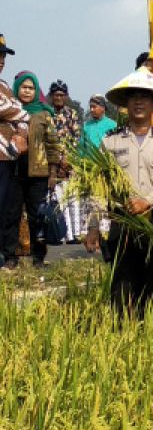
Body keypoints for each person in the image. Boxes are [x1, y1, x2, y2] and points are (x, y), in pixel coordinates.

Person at [84, 69, 153, 317]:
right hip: (122, 220)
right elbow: (99, 185)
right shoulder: (111, 141)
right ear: (126, 105)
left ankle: (150, 332)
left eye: (145, 97)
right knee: (123, 282)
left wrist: (147, 201)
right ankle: (122, 336)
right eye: (133, 97)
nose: (139, 102)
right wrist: (93, 226)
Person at [2, 72, 63, 267]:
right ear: (16, 88)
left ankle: (38, 257)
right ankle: (10, 256)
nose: (27, 91)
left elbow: (53, 144)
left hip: (38, 173)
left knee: (38, 217)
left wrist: (53, 172)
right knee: (11, 215)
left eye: (31, 88)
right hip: (13, 171)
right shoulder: (10, 112)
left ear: (36, 90)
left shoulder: (44, 114)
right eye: (23, 87)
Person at [0, 36, 30, 270]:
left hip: (8, 157)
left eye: (3, 56)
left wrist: (20, 130)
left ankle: (8, 254)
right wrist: (19, 114)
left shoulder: (6, 86)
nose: (1, 60)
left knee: (9, 209)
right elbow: (11, 108)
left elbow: (20, 112)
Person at [48, 80, 84, 243]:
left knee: (73, 199)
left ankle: (75, 234)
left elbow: (76, 137)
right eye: (56, 95)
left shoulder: (72, 114)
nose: (59, 98)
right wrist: (56, 161)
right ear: (51, 96)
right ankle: (62, 234)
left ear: (66, 96)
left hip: (70, 163)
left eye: (62, 95)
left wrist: (67, 158)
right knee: (58, 199)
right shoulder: (46, 113)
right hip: (52, 164)